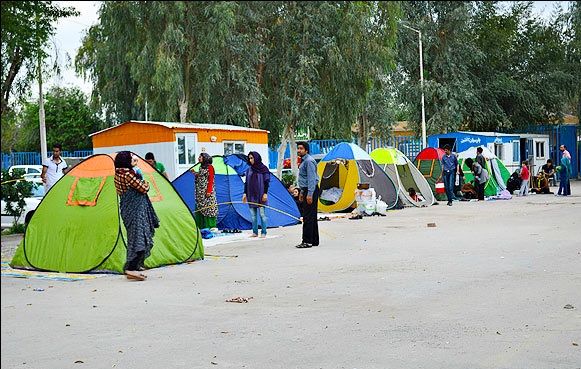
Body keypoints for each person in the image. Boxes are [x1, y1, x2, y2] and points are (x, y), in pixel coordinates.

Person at [114, 151, 160, 281]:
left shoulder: (119, 173)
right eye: (131, 158)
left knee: (136, 237)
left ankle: (136, 265)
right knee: (138, 238)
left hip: (128, 209)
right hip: (134, 210)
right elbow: (143, 188)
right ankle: (130, 267)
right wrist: (146, 183)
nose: (134, 159)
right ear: (126, 161)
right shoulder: (128, 174)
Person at [296, 141, 319, 248]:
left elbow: (311, 179)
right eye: (298, 148)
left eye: (301, 148)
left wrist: (309, 194)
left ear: (306, 150)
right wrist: (301, 192)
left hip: (311, 190)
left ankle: (307, 241)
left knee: (308, 217)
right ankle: (314, 240)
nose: (299, 150)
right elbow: (303, 179)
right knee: (311, 216)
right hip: (306, 190)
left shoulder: (309, 161)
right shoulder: (303, 161)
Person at [242, 151, 270, 238]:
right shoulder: (249, 170)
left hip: (261, 194)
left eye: (252, 158)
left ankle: (264, 232)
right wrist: (245, 193)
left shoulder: (264, 169)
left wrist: (265, 193)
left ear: (256, 158)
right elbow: (246, 183)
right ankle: (255, 232)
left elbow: (266, 182)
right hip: (251, 195)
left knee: (262, 214)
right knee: (253, 216)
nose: (250, 160)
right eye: (249, 158)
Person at [192, 153, 218, 229]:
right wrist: (195, 173)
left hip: (207, 192)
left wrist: (209, 191)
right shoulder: (201, 167)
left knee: (209, 208)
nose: (199, 158)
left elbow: (211, 179)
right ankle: (201, 227)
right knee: (200, 208)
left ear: (205, 158)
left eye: (200, 157)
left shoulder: (210, 167)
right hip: (200, 193)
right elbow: (201, 177)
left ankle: (211, 226)